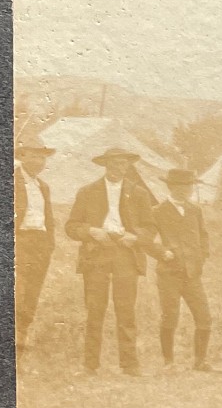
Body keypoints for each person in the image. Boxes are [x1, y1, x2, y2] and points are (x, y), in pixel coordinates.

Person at [64, 145, 158, 374]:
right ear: (105, 164)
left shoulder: (139, 193)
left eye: (124, 163)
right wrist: (90, 231)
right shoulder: (87, 192)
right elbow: (71, 227)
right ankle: (90, 365)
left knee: (126, 309)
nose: (120, 167)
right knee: (95, 309)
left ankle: (130, 365)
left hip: (126, 255)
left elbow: (150, 228)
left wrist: (134, 238)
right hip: (96, 254)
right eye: (115, 162)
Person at [149, 168, 212, 369]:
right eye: (181, 186)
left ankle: (200, 361)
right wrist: (161, 252)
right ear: (171, 187)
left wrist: (201, 257)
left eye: (189, 186)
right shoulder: (157, 211)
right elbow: (146, 240)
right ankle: (169, 362)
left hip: (192, 274)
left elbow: (203, 236)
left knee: (204, 316)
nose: (186, 190)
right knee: (170, 316)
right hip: (169, 274)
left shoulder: (195, 210)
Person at [13, 138, 56, 356]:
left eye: (42, 157)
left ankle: (22, 334)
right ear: (22, 156)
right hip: (19, 240)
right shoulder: (11, 181)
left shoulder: (43, 186)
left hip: (40, 244)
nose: (39, 161)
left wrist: (49, 245)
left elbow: (48, 218)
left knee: (32, 290)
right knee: (16, 289)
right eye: (34, 155)